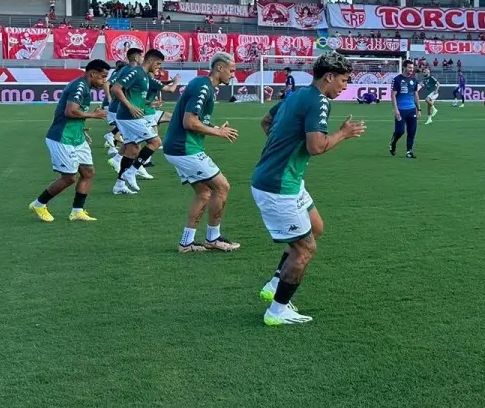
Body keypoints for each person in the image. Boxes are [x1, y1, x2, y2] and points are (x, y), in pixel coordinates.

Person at [252, 52, 367, 326]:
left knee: (315, 227)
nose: (344, 86)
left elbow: (266, 122)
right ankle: (277, 311)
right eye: (343, 80)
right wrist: (343, 133)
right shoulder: (319, 101)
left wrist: (286, 145)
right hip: (279, 186)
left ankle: (274, 284)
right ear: (328, 77)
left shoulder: (296, 95)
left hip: (285, 180)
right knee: (305, 250)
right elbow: (316, 147)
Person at [164, 53, 241, 252]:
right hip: (185, 148)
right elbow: (188, 122)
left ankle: (186, 243)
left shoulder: (204, 85)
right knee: (222, 187)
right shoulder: (203, 86)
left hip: (180, 147)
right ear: (220, 68)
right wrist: (217, 132)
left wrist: (214, 127)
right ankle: (213, 238)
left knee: (204, 192)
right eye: (231, 71)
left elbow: (197, 120)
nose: (233, 75)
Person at [30, 59, 111, 223]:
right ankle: (38, 204)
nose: (104, 81)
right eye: (102, 77)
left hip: (76, 137)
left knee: (88, 173)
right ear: (92, 74)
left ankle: (77, 211)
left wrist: (83, 129)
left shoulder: (85, 87)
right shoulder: (79, 86)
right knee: (69, 177)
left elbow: (77, 113)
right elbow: (70, 112)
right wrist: (94, 115)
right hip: (62, 138)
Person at [110, 49, 168, 194]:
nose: (159, 67)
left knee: (132, 149)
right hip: (128, 116)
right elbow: (116, 89)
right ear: (150, 60)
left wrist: (149, 104)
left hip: (132, 115)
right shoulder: (136, 72)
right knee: (156, 142)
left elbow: (136, 96)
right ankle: (131, 172)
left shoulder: (144, 76)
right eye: (158, 64)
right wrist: (130, 107)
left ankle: (119, 184)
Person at [103, 56, 135, 158]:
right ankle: (112, 141)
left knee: (120, 126)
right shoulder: (119, 74)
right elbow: (106, 84)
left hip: (114, 104)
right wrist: (108, 98)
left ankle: (112, 146)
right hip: (113, 104)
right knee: (123, 126)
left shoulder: (119, 74)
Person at [390, 62, 420, 158]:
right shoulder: (397, 79)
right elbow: (393, 95)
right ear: (404, 67)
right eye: (409, 67)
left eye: (412, 68)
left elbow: (415, 94)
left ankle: (409, 152)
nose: (411, 69)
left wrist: (418, 109)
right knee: (400, 131)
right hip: (401, 110)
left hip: (411, 109)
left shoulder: (414, 79)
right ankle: (393, 143)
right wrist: (396, 109)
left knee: (412, 132)